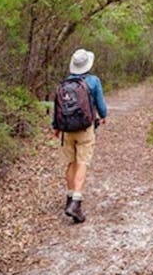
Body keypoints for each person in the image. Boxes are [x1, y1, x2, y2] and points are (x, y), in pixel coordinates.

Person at [52, 48, 107, 223]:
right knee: (82, 162)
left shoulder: (64, 84)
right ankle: (76, 201)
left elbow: (57, 107)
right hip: (85, 129)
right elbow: (101, 105)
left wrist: (56, 127)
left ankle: (69, 198)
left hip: (67, 130)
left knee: (70, 163)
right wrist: (103, 116)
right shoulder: (93, 81)